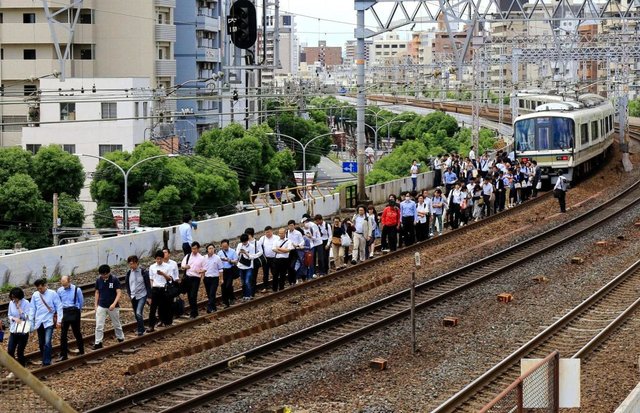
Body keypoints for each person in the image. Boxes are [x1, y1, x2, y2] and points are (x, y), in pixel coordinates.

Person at [29, 278, 62, 366]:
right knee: (41, 343)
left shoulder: (52, 293)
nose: (40, 290)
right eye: (38, 289)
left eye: (41, 288)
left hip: (49, 321)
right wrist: (31, 322)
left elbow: (59, 306)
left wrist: (59, 320)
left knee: (47, 342)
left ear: (45, 286)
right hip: (39, 322)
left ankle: (46, 362)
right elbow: (32, 308)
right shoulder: (35, 295)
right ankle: (45, 358)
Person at [93, 265, 124, 349]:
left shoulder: (114, 279)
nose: (104, 276)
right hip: (102, 305)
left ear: (109, 273)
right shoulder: (99, 280)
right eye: (102, 275)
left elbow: (118, 292)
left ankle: (120, 338)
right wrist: (96, 305)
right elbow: (97, 292)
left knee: (116, 324)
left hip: (113, 306)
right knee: (99, 325)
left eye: (105, 275)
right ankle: (98, 343)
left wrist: (114, 303)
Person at [56, 275, 85, 361]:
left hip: (74, 312)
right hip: (64, 312)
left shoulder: (77, 289)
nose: (64, 286)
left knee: (77, 332)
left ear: (69, 281)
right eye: (62, 284)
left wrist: (77, 311)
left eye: (65, 284)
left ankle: (81, 350)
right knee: (63, 334)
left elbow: (81, 302)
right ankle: (63, 354)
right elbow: (58, 302)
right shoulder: (59, 290)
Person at [124, 255, 151, 337]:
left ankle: (141, 330)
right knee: (136, 314)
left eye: (133, 263)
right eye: (130, 264)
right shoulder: (129, 273)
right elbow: (127, 285)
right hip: (133, 296)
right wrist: (129, 294)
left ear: (137, 263)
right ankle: (141, 327)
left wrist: (149, 297)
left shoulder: (143, 272)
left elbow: (147, 285)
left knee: (139, 312)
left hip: (142, 295)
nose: (132, 265)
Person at [148, 251, 174, 331]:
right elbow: (151, 278)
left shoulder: (168, 266)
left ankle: (165, 321)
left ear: (163, 258)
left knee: (164, 307)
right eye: (157, 259)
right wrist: (152, 287)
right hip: (155, 289)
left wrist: (163, 274)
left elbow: (169, 279)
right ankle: (151, 325)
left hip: (164, 288)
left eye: (160, 259)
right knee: (153, 308)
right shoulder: (152, 267)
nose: (158, 260)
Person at [7, 287, 31, 371]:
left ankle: (22, 370)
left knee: (20, 352)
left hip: (23, 331)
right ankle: (15, 369)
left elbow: (27, 317)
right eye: (12, 297)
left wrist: (19, 308)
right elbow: (9, 315)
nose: (14, 299)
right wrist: (14, 319)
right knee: (10, 351)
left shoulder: (26, 303)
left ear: (19, 296)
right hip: (13, 330)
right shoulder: (11, 303)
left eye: (15, 297)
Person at [181, 241, 206, 318]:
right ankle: (194, 311)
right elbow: (182, 266)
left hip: (196, 278)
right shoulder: (188, 256)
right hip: (188, 278)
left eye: (195, 249)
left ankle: (193, 312)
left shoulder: (202, 258)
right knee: (189, 296)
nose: (193, 250)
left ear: (198, 249)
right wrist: (186, 267)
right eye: (192, 249)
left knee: (193, 295)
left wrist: (201, 272)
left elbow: (205, 268)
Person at [236, 233, 261, 300]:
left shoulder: (252, 246)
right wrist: (239, 252)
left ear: (247, 240)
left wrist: (246, 253)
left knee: (247, 281)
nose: (244, 243)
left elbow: (252, 257)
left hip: (248, 266)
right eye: (242, 242)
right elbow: (236, 256)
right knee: (243, 282)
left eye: (245, 242)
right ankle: (245, 295)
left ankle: (249, 295)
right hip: (241, 266)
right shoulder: (239, 245)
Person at [202, 243, 223, 312]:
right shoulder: (204, 258)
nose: (211, 250)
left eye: (212, 248)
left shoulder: (217, 258)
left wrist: (221, 278)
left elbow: (220, 269)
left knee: (212, 293)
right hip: (207, 278)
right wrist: (202, 277)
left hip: (215, 278)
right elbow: (202, 268)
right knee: (209, 293)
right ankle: (214, 307)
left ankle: (209, 307)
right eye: (209, 248)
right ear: (207, 250)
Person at [218, 239, 239, 308]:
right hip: (223, 271)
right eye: (223, 246)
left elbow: (236, 261)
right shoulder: (220, 253)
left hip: (230, 270)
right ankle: (225, 300)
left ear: (228, 245)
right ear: (221, 246)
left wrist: (229, 260)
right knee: (223, 286)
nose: (225, 248)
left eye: (226, 246)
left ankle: (232, 298)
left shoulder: (233, 251)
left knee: (228, 285)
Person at [258, 226, 278, 292]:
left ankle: (275, 286)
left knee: (274, 272)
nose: (267, 234)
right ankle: (265, 287)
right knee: (265, 273)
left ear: (271, 231)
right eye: (266, 232)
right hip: (266, 259)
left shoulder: (276, 238)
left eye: (268, 232)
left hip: (274, 258)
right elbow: (258, 247)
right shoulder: (262, 238)